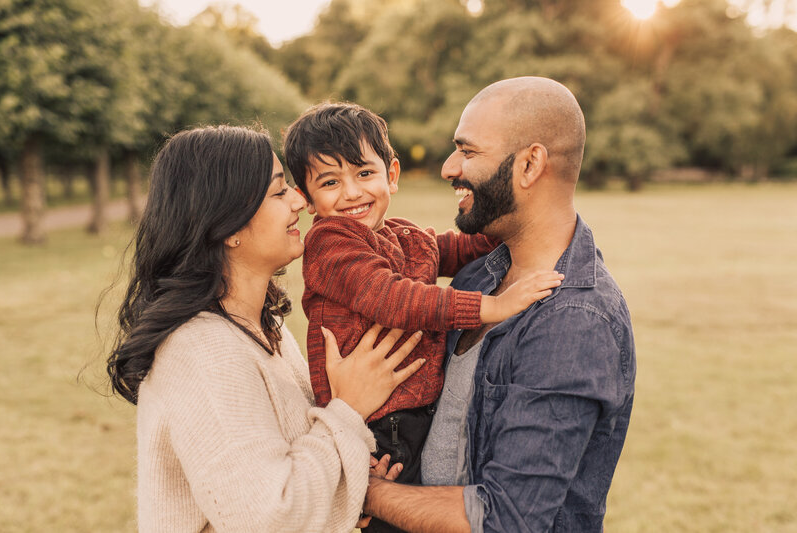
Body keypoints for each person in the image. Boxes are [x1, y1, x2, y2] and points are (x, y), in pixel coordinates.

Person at [105, 125, 427, 532]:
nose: (299, 200)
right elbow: (270, 518)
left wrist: (354, 481)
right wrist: (349, 409)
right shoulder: (201, 350)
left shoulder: (264, 329)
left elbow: (289, 463)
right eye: (279, 192)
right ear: (228, 225)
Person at [363, 77, 636, 532]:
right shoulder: (479, 276)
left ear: (530, 165)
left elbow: (506, 519)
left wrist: (367, 491)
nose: (450, 167)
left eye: (468, 152)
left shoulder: (574, 321)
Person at [283, 103, 563, 532]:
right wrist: (492, 307)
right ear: (304, 195)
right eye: (329, 182)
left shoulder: (402, 234)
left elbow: (455, 247)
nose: (352, 192)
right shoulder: (330, 243)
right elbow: (395, 298)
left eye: (363, 174)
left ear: (391, 174)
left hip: (411, 415)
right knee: (395, 516)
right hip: (378, 426)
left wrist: (520, 223)